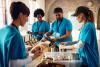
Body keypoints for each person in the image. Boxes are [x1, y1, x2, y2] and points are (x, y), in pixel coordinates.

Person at [0, 1, 42, 67]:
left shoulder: (3, 30)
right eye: (27, 16)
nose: (27, 20)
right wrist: (33, 57)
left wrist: (26, 49)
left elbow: (8, 52)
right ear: (20, 15)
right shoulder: (15, 35)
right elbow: (13, 64)